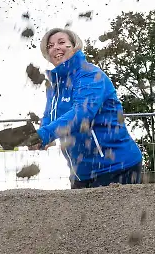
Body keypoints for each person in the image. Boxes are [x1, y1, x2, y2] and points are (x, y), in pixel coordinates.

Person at [30, 27, 145, 188]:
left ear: (75, 45)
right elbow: (50, 115)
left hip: (116, 167)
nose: (55, 47)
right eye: (50, 46)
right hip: (80, 173)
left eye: (62, 42)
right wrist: (39, 137)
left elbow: (82, 113)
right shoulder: (53, 85)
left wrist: (46, 134)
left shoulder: (89, 75)